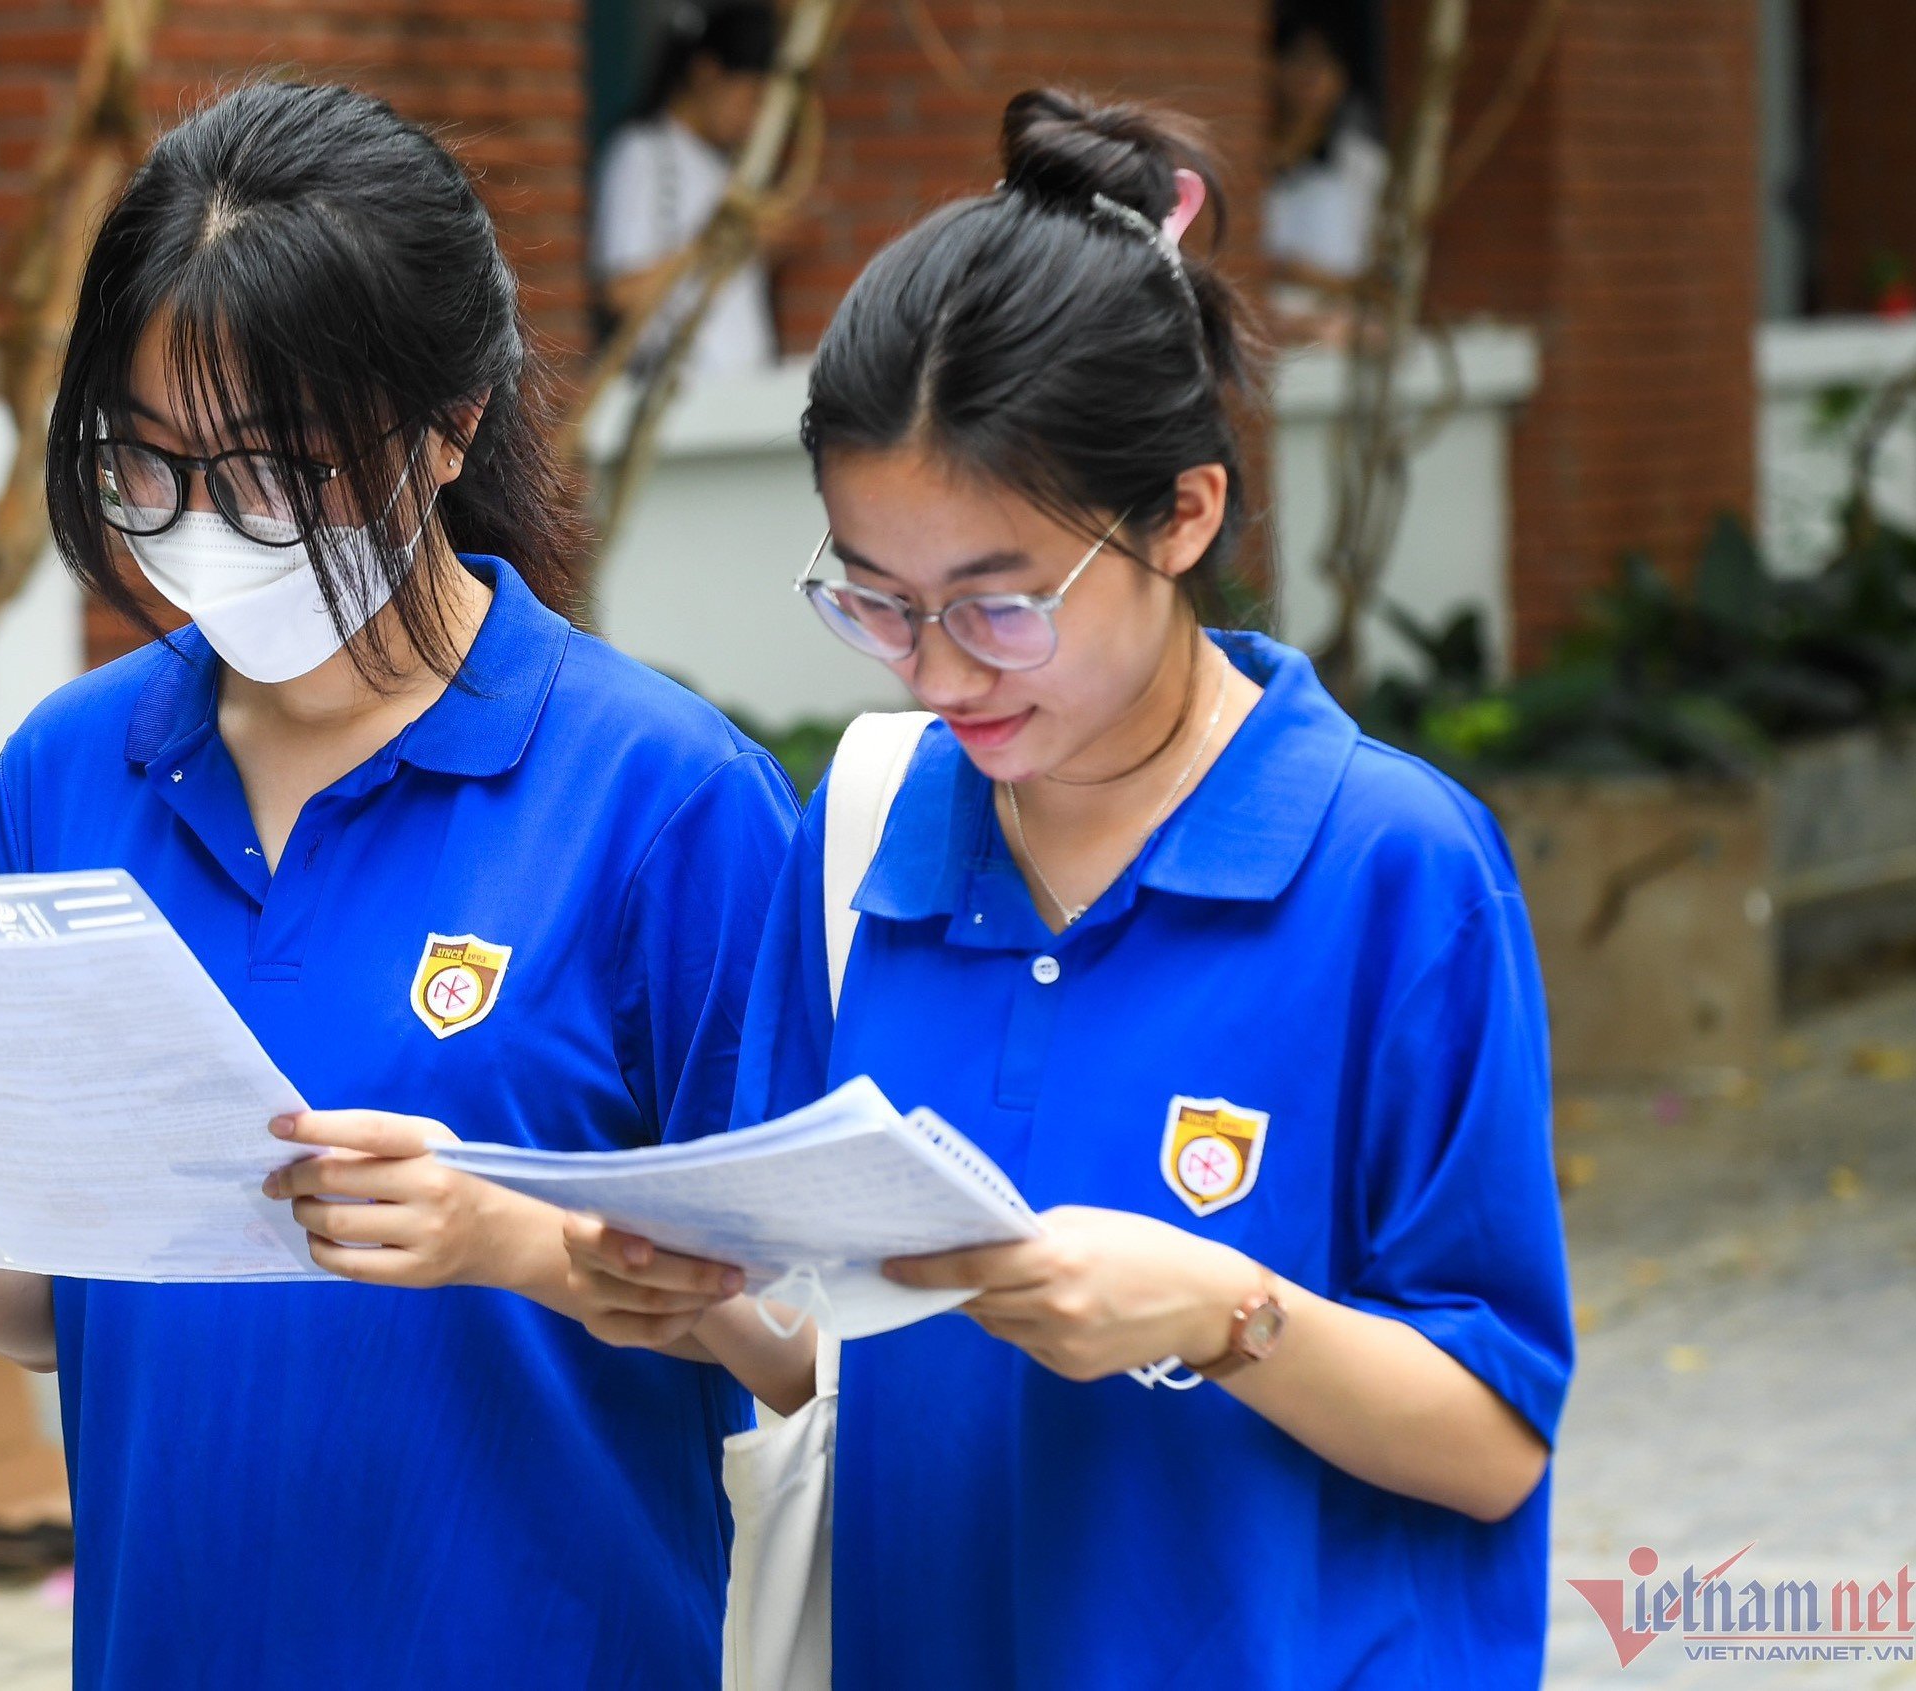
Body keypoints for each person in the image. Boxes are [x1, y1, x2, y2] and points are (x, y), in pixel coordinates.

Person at [0, 81, 798, 1688]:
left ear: (447, 428)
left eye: (273, 473)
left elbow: (806, 1342)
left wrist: (515, 1233)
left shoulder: (662, 798)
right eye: (145, 464)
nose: (198, 527)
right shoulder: (67, 773)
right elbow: (46, 1302)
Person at [567, 90, 1574, 1687]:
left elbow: (1493, 1445)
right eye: (876, 603)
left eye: (1001, 603)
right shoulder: (868, 829)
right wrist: (684, 1302)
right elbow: (819, 1353)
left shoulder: (1392, 866)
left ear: (1183, 510)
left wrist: (1222, 1313)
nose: (940, 667)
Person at [592, 0, 784, 380]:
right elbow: (621, 292)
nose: (754, 117)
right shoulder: (643, 154)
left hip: (748, 385)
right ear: (708, 75)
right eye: (751, 98)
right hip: (678, 398)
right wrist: (714, 246)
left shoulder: (728, 167)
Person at [1264, 11, 1388, 343]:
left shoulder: (1363, 164)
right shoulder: (1250, 159)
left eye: (1323, 63)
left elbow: (1382, 272)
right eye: (1299, 59)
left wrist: (1320, 282)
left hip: (1339, 329)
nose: (1311, 75)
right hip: (1268, 326)